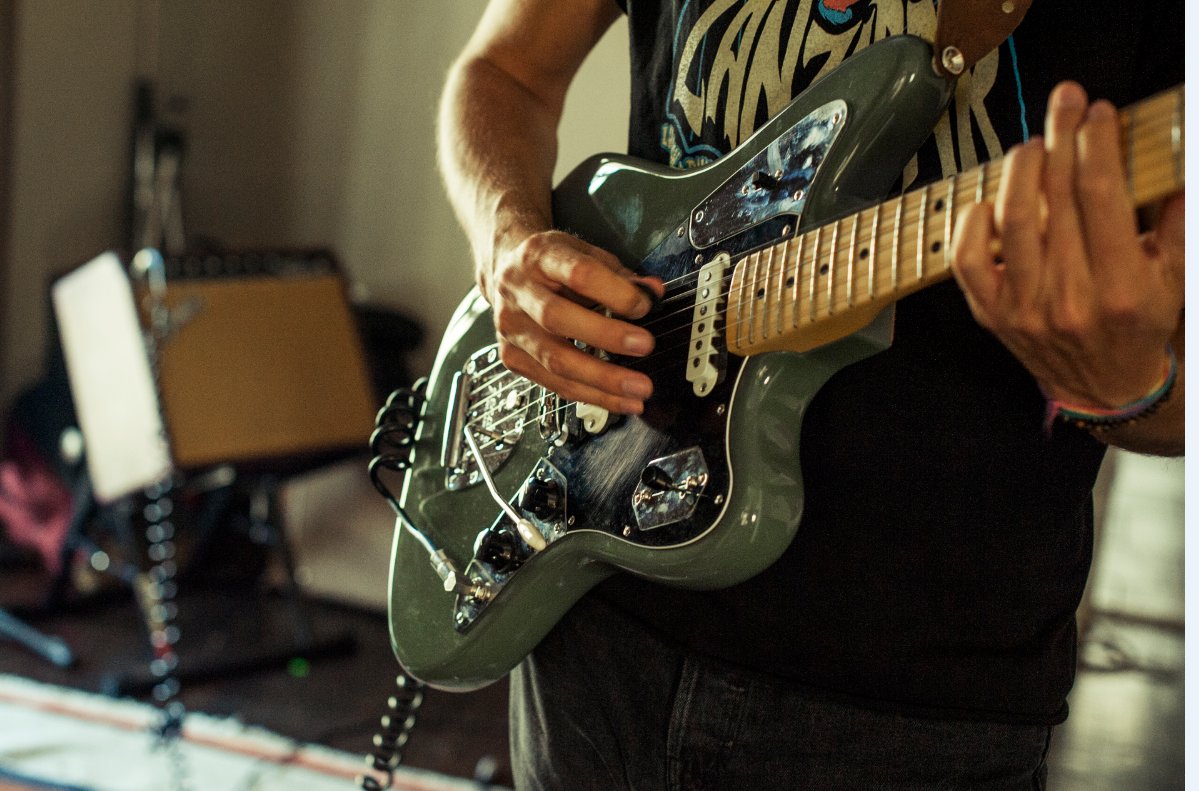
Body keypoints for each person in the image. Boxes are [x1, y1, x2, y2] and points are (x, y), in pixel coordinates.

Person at [436, 1, 1185, 788]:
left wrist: (1119, 385)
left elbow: (1176, 410)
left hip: (915, 710)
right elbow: (504, 71)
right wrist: (505, 238)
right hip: (595, 615)